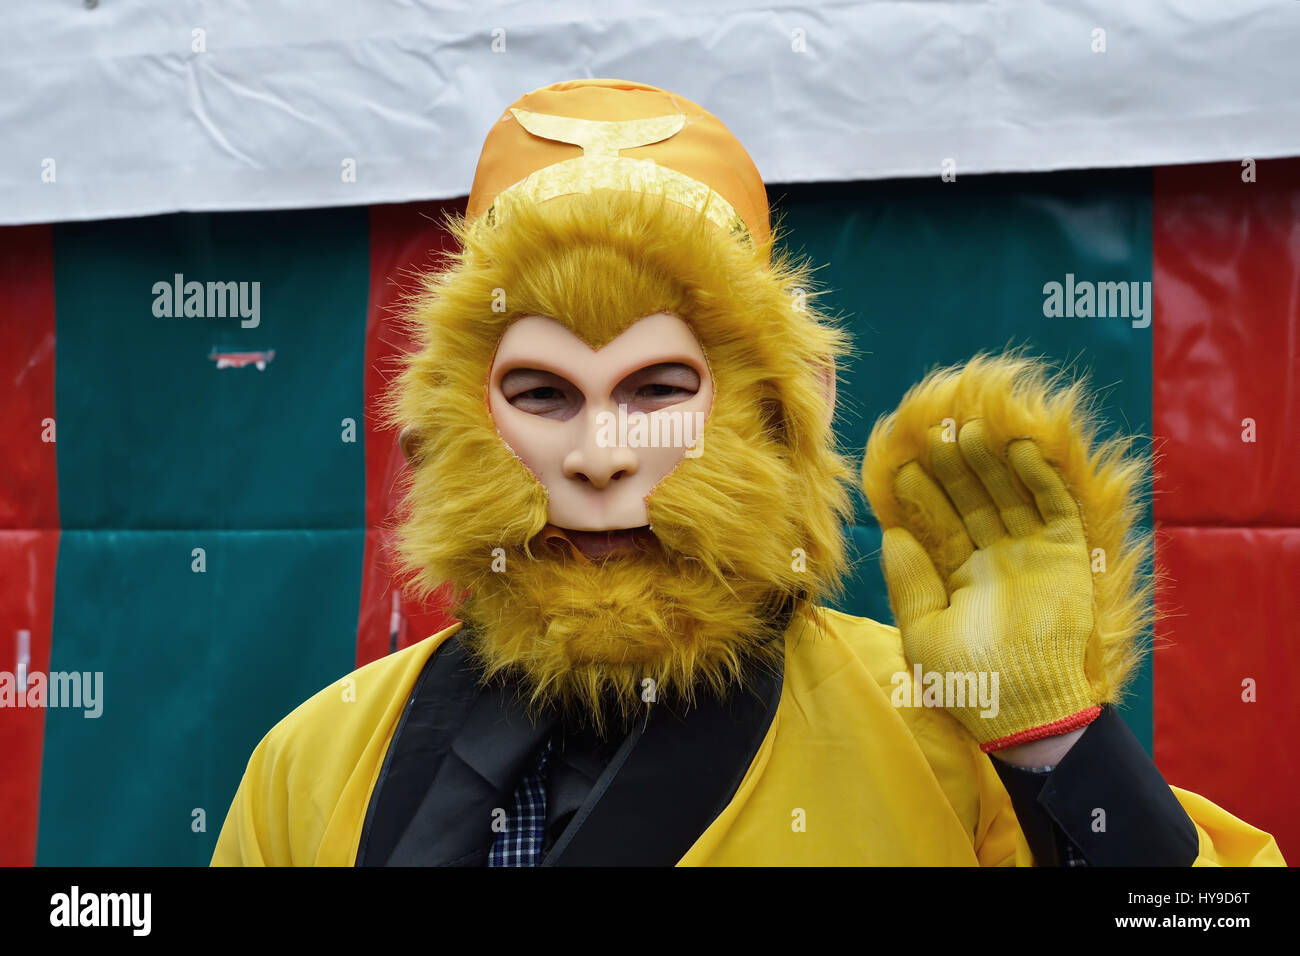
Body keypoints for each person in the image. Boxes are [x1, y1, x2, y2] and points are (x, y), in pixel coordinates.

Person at [211, 79, 1284, 866]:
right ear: (443, 426)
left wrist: (1055, 745)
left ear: (787, 408)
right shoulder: (313, 760)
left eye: (657, 388)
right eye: (542, 393)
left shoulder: (939, 736)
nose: (598, 456)